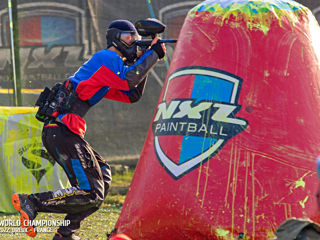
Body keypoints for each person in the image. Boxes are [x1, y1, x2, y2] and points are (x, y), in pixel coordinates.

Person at [11, 19, 166, 240]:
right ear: (115, 38)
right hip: (62, 132)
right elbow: (131, 79)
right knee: (92, 192)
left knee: (102, 176)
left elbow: (132, 94)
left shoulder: (108, 68)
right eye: (128, 37)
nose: (132, 42)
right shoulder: (108, 57)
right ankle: (32, 202)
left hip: (64, 133)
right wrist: (152, 56)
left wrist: (146, 60)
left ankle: (65, 234)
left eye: (135, 39)